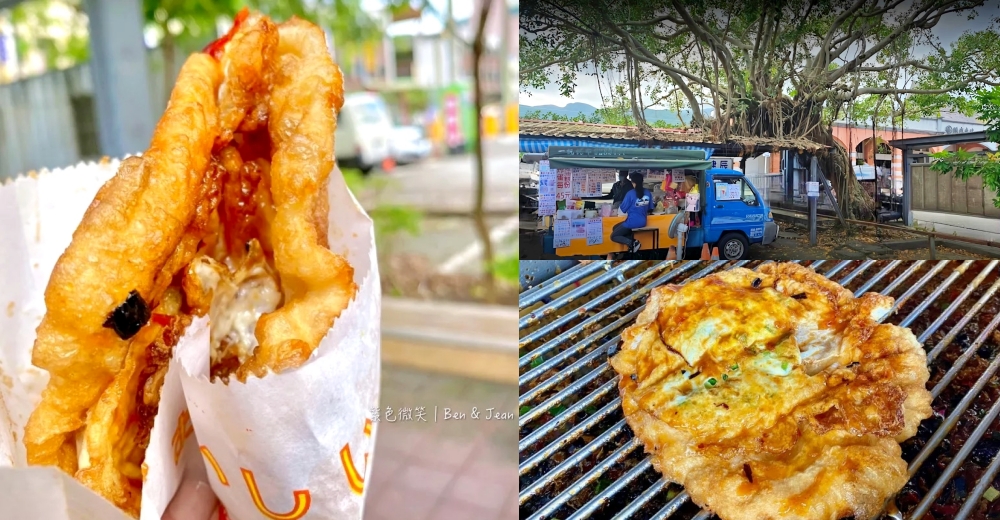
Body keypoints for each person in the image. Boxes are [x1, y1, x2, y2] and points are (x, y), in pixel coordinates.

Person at [609, 171, 651, 258]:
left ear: (633, 182)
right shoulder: (647, 192)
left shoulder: (630, 193)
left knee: (613, 236)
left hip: (632, 222)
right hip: (643, 221)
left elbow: (623, 209)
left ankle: (632, 243)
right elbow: (650, 207)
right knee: (615, 227)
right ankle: (631, 246)